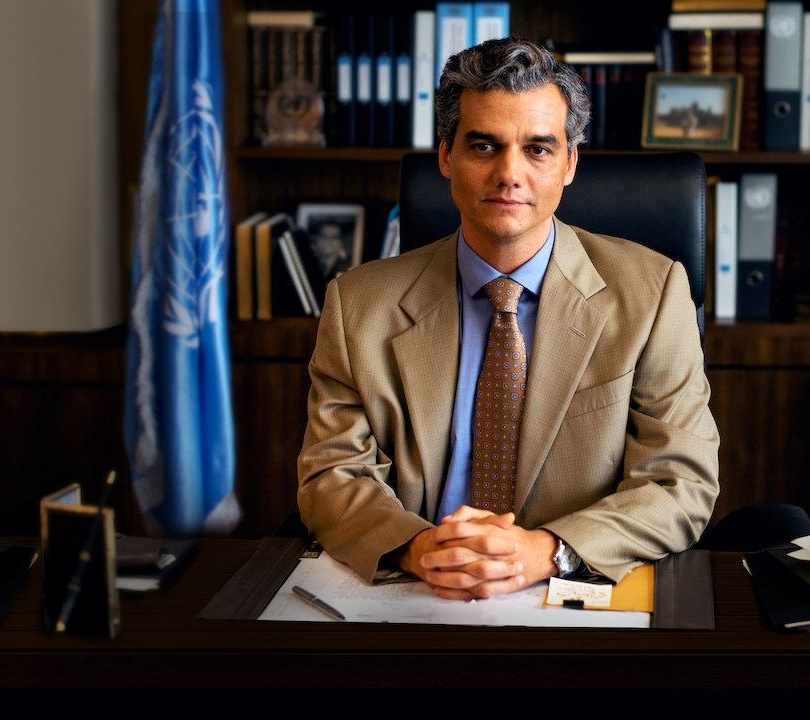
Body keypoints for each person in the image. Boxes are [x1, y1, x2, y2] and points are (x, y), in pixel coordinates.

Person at [297, 38, 719, 600]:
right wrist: (421, 549)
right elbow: (332, 474)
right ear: (446, 157)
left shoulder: (652, 295)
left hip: (576, 586)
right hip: (419, 589)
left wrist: (545, 551)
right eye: (484, 146)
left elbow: (679, 482)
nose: (509, 174)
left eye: (538, 149)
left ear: (570, 164)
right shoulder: (358, 305)